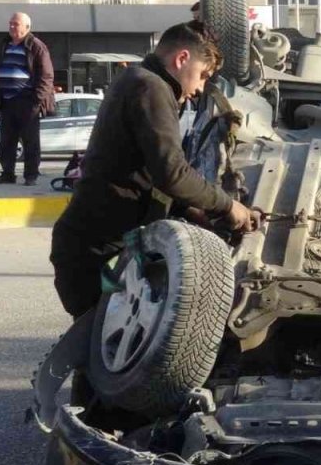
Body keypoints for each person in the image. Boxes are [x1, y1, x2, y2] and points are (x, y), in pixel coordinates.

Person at [50, 21, 255, 319]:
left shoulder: (137, 80)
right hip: (95, 253)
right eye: (202, 75)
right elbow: (172, 174)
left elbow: (149, 175)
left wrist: (195, 211)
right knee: (103, 339)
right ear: (182, 58)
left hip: (92, 245)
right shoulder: (151, 87)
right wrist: (227, 205)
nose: (199, 89)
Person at [0, 12, 55, 186]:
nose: (11, 27)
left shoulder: (36, 46)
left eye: (15, 24)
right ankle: (7, 174)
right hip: (7, 101)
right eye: (10, 23)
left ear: (27, 27)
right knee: (7, 140)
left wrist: (36, 99)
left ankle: (31, 175)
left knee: (30, 141)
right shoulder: (5, 44)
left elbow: (47, 75)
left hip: (27, 101)